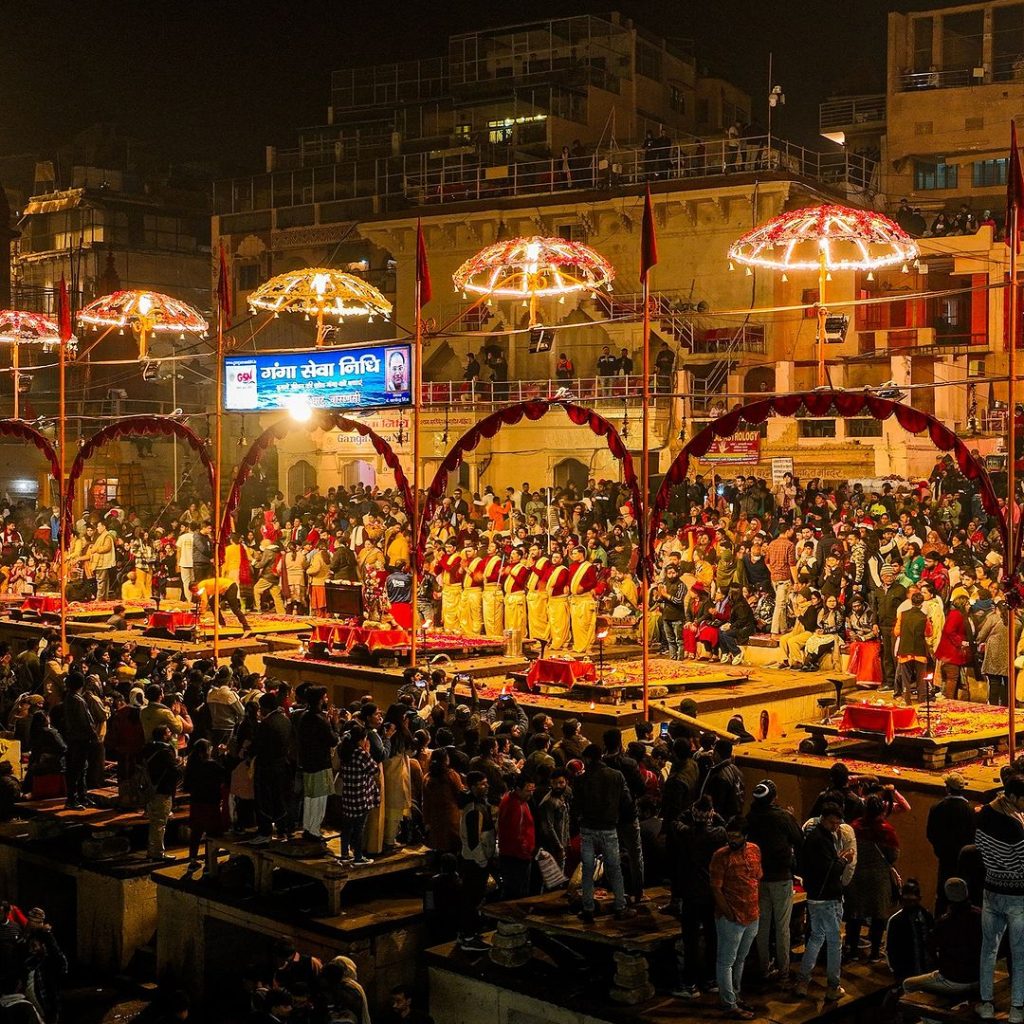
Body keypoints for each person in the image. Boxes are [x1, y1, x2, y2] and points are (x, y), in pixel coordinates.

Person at [795, 802, 855, 1002]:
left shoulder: (812, 837)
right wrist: (844, 860)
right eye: (833, 823)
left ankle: (803, 981)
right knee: (834, 942)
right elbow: (831, 871)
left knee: (815, 938)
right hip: (828, 899)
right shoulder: (821, 839)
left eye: (838, 824)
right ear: (824, 818)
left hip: (814, 897)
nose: (836, 827)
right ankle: (833, 986)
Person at [975, 774, 1024, 1020]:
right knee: (1019, 952)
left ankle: (986, 1003)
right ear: (1013, 797)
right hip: (1017, 896)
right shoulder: (1015, 825)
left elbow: (979, 846)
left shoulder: (983, 814)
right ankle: (1017, 1009)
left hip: (991, 888)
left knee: (988, 950)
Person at [746, 779, 802, 980]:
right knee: (782, 927)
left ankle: (763, 967)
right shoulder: (783, 817)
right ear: (774, 797)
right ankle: (784, 970)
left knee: (762, 926)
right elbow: (799, 839)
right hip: (781, 878)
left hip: (759, 879)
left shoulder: (751, 817)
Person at [709, 815, 762, 1020]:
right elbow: (716, 888)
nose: (732, 840)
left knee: (740, 958)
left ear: (745, 836)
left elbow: (757, 877)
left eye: (736, 836)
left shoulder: (754, 850)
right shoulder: (720, 856)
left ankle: (735, 994)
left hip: (752, 914)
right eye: (729, 836)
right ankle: (728, 1003)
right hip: (732, 917)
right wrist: (728, 913)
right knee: (726, 961)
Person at [575, 744, 631, 922]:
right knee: (614, 868)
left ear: (589, 758)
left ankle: (588, 908)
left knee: (587, 869)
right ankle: (620, 906)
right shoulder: (616, 776)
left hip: (588, 828)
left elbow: (576, 804)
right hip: (609, 827)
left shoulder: (581, 779)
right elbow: (626, 801)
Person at [902, 876, 981, 998]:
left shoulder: (945, 921)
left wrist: (941, 965)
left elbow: (930, 947)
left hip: (953, 979)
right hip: (978, 977)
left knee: (908, 984)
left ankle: (927, 1017)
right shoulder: (981, 915)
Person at [844, 794, 899, 962]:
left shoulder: (854, 826)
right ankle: (875, 952)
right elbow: (894, 855)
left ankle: (852, 950)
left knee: (855, 914)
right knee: (878, 915)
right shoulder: (886, 830)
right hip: (878, 877)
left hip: (857, 875)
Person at [926, 772, 976, 912]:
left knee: (942, 895)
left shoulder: (937, 808)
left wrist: (940, 849)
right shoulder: (969, 810)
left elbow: (930, 834)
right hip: (964, 860)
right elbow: (974, 835)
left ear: (947, 788)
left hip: (945, 857)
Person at [336, 724, 381, 865]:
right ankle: (358, 857)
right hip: (361, 796)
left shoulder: (345, 752)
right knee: (359, 829)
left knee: (346, 828)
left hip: (347, 796)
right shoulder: (361, 754)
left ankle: (344, 854)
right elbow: (375, 770)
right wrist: (367, 752)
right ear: (361, 739)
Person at [182, 738, 227, 872]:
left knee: (196, 833)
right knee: (211, 834)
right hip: (210, 803)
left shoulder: (192, 765)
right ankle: (209, 862)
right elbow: (225, 773)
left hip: (196, 802)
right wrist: (223, 755)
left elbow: (187, 786)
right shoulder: (212, 765)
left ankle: (193, 860)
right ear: (207, 750)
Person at [142, 724, 180, 862]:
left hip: (149, 789)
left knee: (154, 821)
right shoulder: (165, 751)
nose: (171, 734)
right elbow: (173, 770)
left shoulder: (147, 749)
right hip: (162, 789)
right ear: (164, 735)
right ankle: (157, 852)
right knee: (160, 822)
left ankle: (152, 849)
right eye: (169, 732)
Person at [497, 774, 535, 899]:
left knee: (511, 890)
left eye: (532, 790)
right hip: (517, 857)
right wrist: (526, 851)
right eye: (528, 791)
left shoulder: (510, 798)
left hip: (509, 854)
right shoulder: (516, 806)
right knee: (517, 892)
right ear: (518, 789)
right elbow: (517, 834)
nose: (531, 794)